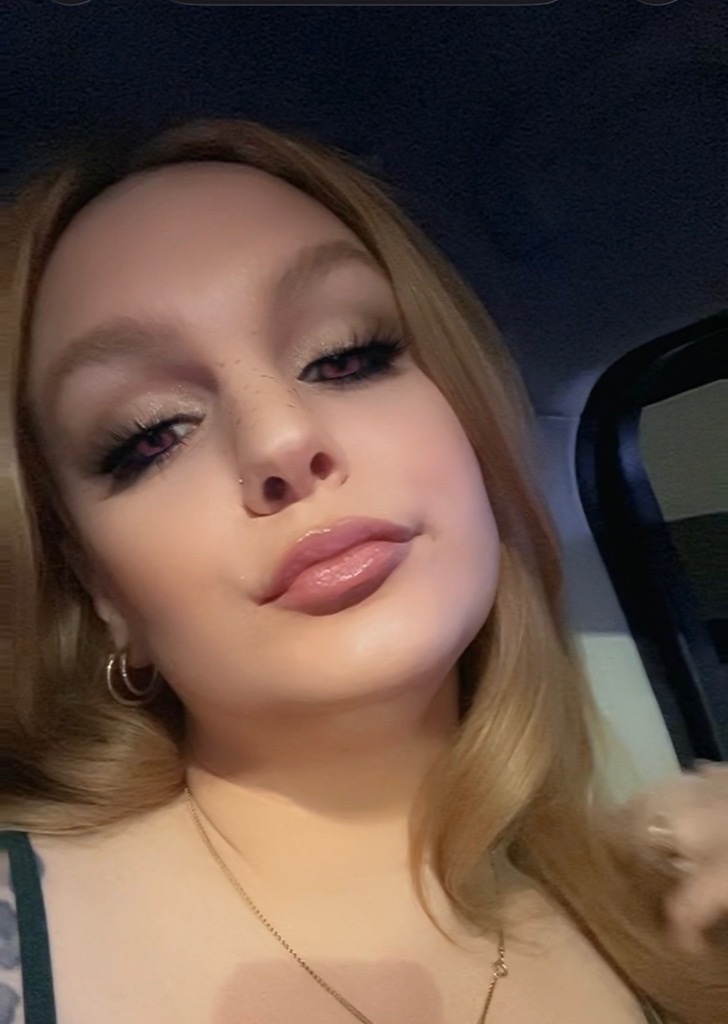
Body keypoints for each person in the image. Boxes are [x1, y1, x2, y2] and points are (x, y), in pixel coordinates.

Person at [1, 117, 726, 1024]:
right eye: (152, 434)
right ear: (103, 592)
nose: (281, 438)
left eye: (346, 356)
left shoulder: (671, 926)